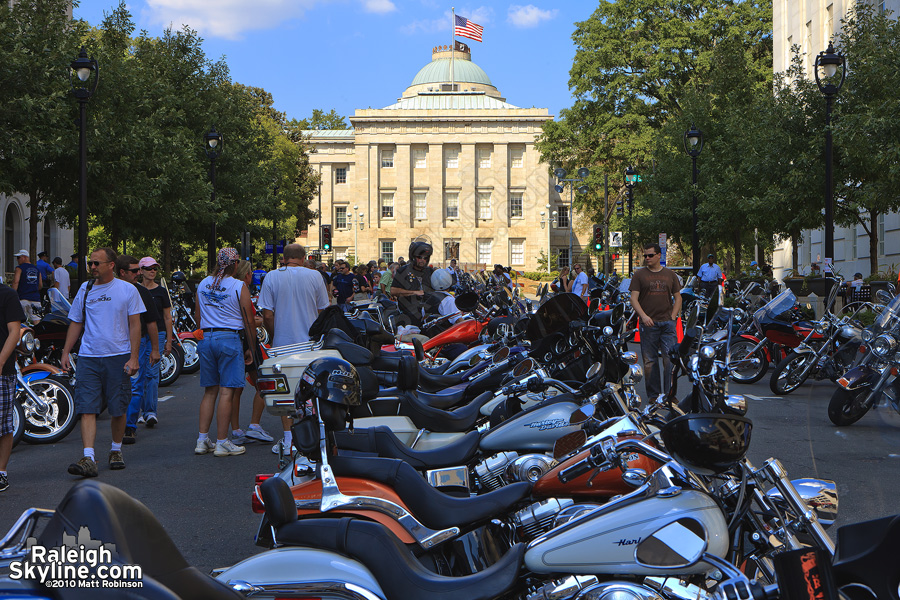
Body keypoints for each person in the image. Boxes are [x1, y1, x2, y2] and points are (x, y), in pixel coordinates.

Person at [62, 248, 144, 477]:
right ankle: (88, 457)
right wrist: (66, 351)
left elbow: (135, 325)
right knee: (87, 407)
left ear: (111, 265)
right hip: (89, 356)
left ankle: (116, 450)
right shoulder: (86, 289)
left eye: (97, 263)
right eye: (90, 263)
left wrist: (134, 356)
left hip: (118, 356)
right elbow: (76, 321)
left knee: (118, 407)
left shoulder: (127, 289)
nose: (92, 267)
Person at [258, 243, 329, 453]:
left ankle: (289, 439)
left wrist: (273, 333)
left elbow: (267, 314)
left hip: (283, 343)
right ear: (304, 257)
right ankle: (310, 433)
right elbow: (323, 310)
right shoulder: (315, 276)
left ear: (284, 258)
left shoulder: (271, 276)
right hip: (310, 342)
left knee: (284, 391)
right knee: (311, 387)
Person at [194, 248, 256, 458]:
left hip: (207, 337)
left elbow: (198, 315)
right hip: (229, 338)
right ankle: (222, 441)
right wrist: (251, 348)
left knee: (209, 391)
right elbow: (248, 321)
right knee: (227, 391)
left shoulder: (203, 283)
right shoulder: (238, 286)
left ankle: (202, 440)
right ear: (235, 264)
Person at [228, 260, 274, 447]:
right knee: (262, 383)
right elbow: (247, 320)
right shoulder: (241, 289)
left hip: (237, 339)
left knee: (235, 388)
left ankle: (236, 429)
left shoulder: (228, 288)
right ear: (246, 275)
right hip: (248, 340)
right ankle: (254, 424)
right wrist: (258, 321)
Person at [116, 256, 161, 445]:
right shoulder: (108, 290)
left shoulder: (142, 292)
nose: (138, 273)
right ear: (122, 272)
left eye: (138, 270)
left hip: (138, 343)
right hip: (113, 344)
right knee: (116, 386)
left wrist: (155, 349)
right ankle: (118, 422)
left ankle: (130, 426)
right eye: (134, 271)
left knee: (135, 385)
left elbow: (152, 322)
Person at [629, 242, 682, 399]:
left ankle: (670, 394)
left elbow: (678, 297)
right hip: (648, 324)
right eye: (645, 255)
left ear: (659, 255)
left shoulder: (670, 275)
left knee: (670, 360)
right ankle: (654, 395)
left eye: (650, 255)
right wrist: (644, 317)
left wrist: (673, 316)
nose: (647, 258)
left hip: (667, 323)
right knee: (650, 361)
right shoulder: (639, 275)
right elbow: (633, 299)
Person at [0, 281, 25, 491]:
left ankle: (1, 472)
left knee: (3, 424)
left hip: (2, 370)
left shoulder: (7, 294)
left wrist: (0, 362)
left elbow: (14, 332)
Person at [392, 241, 435, 328]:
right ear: (413, 257)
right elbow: (393, 291)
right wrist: (414, 292)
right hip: (409, 315)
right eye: (419, 257)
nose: (422, 260)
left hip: (428, 314)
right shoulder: (403, 271)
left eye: (425, 258)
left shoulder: (429, 271)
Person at [10, 250, 42, 325]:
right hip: (35, 299)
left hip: (23, 298)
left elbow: (16, 282)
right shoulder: (37, 269)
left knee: (21, 322)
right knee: (37, 321)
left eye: (18, 257)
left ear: (24, 257)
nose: (17, 260)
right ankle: (38, 335)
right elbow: (40, 285)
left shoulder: (19, 268)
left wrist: (12, 295)